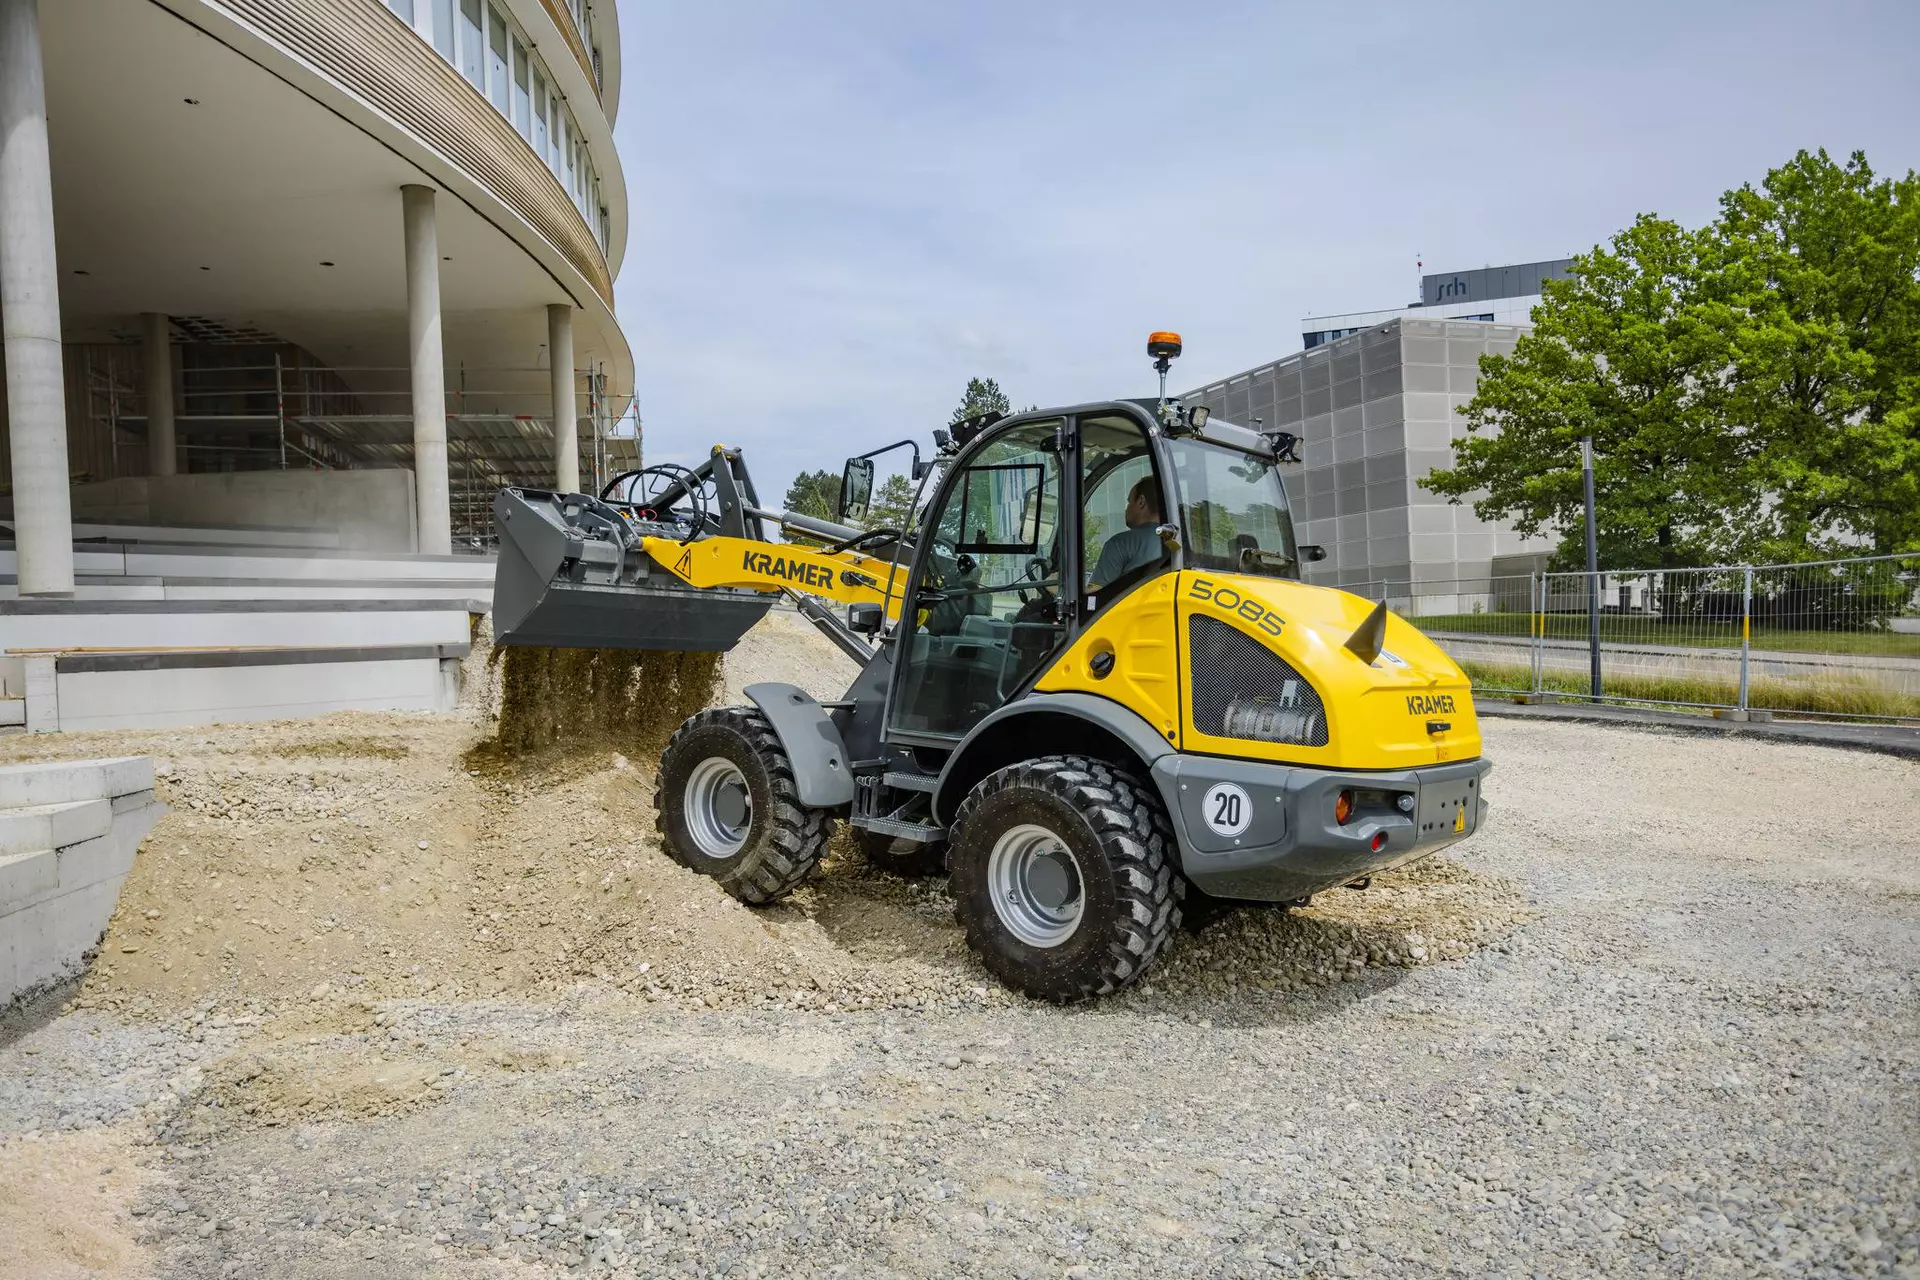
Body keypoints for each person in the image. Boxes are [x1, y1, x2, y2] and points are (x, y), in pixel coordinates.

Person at [1089, 475, 1166, 592]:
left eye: (1129, 502)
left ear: (1141, 501)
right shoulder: (1177, 542)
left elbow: (1095, 596)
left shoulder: (1120, 543)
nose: (1126, 509)